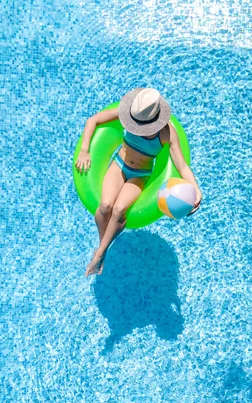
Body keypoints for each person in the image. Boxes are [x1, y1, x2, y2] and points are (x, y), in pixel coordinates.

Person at [75, 87, 203, 276]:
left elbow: (182, 166)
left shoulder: (167, 133)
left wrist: (195, 188)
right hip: (119, 164)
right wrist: (85, 150)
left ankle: (100, 253)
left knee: (119, 210)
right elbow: (92, 120)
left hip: (139, 175)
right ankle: (104, 247)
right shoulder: (128, 115)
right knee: (105, 205)